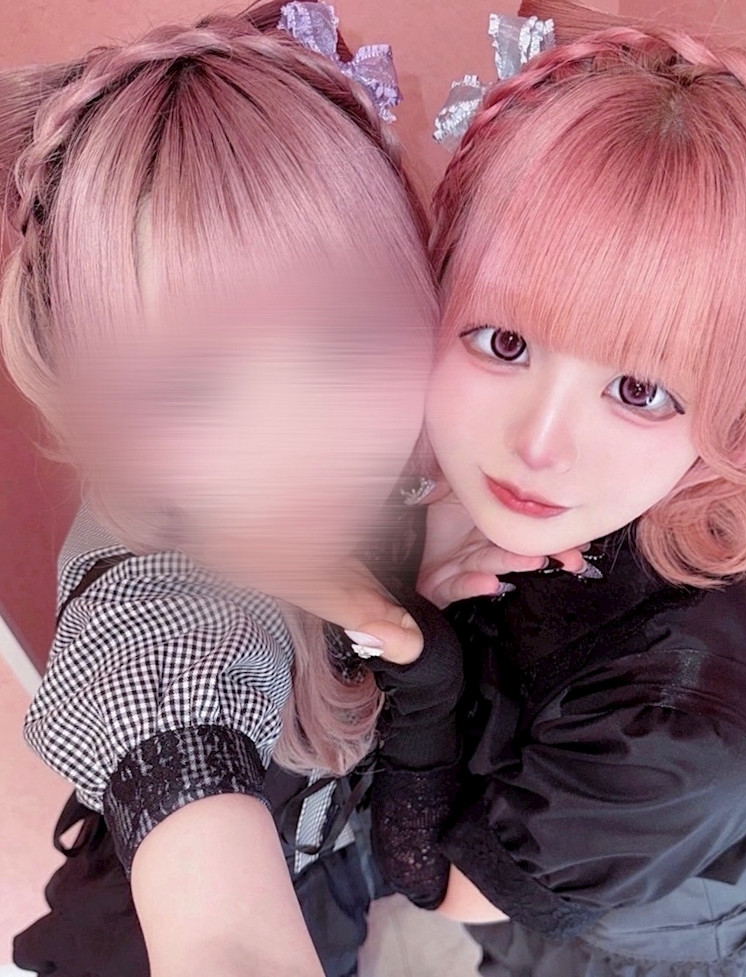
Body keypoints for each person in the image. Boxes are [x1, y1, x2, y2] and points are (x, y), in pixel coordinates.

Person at [0, 3, 473, 975]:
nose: (295, 440)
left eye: (348, 337)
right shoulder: (159, 603)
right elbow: (227, 937)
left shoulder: (398, 477)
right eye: (191, 384)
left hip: (331, 866)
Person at [413, 2, 746, 973]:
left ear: (732, 417)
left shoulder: (682, 736)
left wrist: (418, 656)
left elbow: (441, 885)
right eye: (505, 341)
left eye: (639, 390)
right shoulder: (548, 515)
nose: (539, 445)